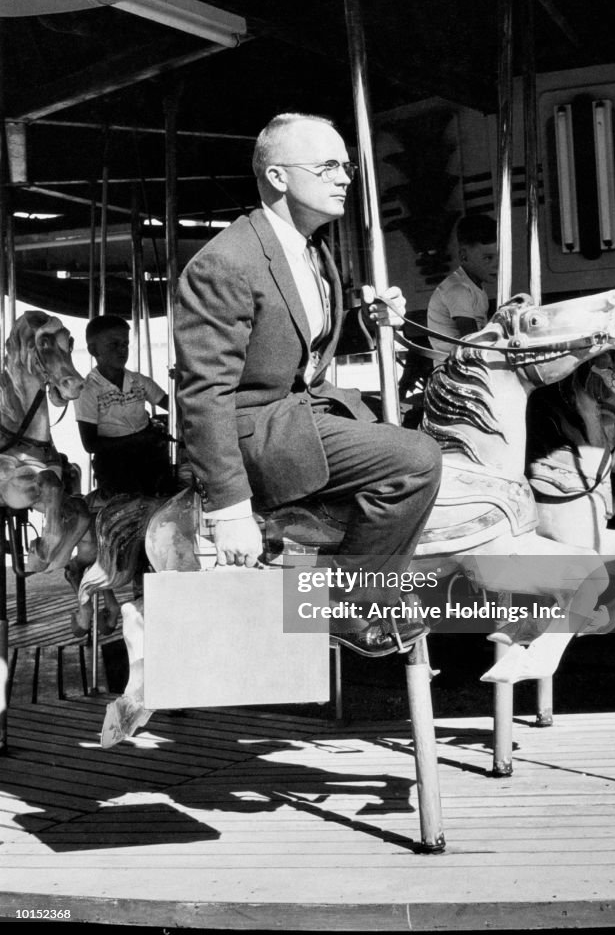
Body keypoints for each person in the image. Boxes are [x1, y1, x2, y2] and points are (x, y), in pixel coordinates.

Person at [174, 112, 443, 657]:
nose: (344, 177)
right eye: (327, 167)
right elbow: (203, 395)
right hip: (255, 432)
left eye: (345, 165)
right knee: (416, 458)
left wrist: (371, 325)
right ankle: (341, 606)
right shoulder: (225, 263)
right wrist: (228, 511)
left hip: (298, 411)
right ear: (277, 177)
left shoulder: (310, 249)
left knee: (411, 425)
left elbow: (292, 348)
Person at [74, 315, 171, 498]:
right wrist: (140, 438)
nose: (122, 350)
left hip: (150, 456)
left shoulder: (138, 381)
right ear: (93, 349)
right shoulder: (87, 390)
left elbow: (172, 407)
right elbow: (90, 444)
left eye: (125, 344)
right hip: (114, 463)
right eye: (113, 344)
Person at [427, 213, 499, 356]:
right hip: (455, 368)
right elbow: (472, 340)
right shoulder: (458, 290)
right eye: (488, 258)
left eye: (499, 256)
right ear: (464, 255)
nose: (497, 264)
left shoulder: (473, 286)